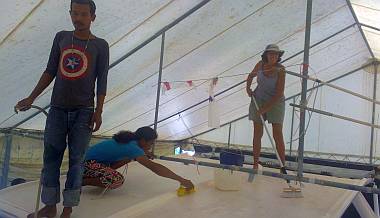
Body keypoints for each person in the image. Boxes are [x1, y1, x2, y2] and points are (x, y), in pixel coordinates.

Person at [15, 0, 109, 217]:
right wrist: (31, 97)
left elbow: (102, 80)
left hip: (84, 111)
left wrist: (99, 111)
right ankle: (50, 205)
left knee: (77, 161)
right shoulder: (62, 37)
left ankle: (68, 208)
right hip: (57, 109)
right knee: (51, 158)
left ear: (93, 17)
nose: (79, 18)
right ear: (69, 14)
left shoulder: (100, 45)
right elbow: (50, 70)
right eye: (75, 13)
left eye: (84, 14)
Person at [83, 126, 194, 190]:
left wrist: (143, 153)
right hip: (86, 164)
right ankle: (80, 182)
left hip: (87, 161)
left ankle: (86, 177)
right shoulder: (132, 147)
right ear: (143, 140)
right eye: (150, 143)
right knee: (117, 180)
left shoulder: (131, 141)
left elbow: (133, 153)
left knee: (127, 158)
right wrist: (181, 179)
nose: (150, 146)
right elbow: (154, 167)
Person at [246, 44, 286, 170]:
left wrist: (266, 109)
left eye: (276, 54)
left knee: (277, 133)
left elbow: (279, 93)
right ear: (266, 55)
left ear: (278, 56)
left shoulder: (281, 70)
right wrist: (248, 89)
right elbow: (250, 76)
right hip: (258, 98)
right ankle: (255, 164)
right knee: (257, 132)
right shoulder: (260, 65)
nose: (273, 56)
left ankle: (282, 166)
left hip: (276, 101)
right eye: (271, 54)